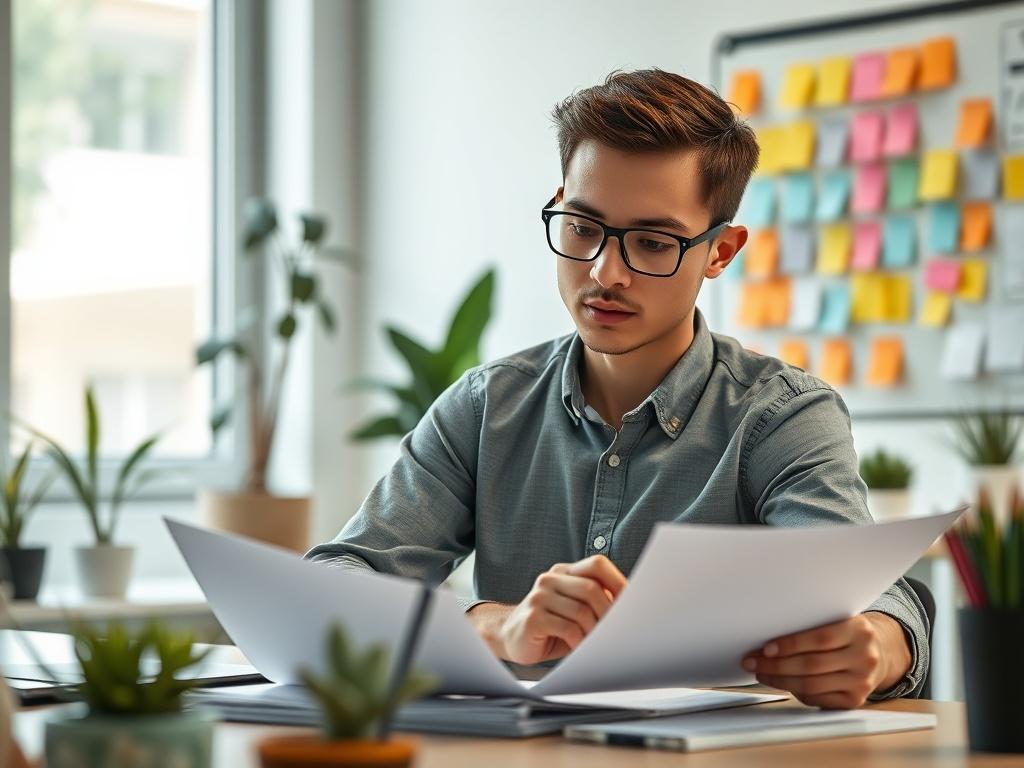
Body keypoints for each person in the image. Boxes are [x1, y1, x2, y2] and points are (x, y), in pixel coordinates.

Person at [306, 69, 928, 709]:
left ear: (720, 251)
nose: (606, 273)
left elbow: (867, 593)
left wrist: (880, 646)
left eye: (653, 243)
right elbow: (335, 581)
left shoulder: (781, 416)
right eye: (583, 227)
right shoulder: (486, 408)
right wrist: (492, 626)